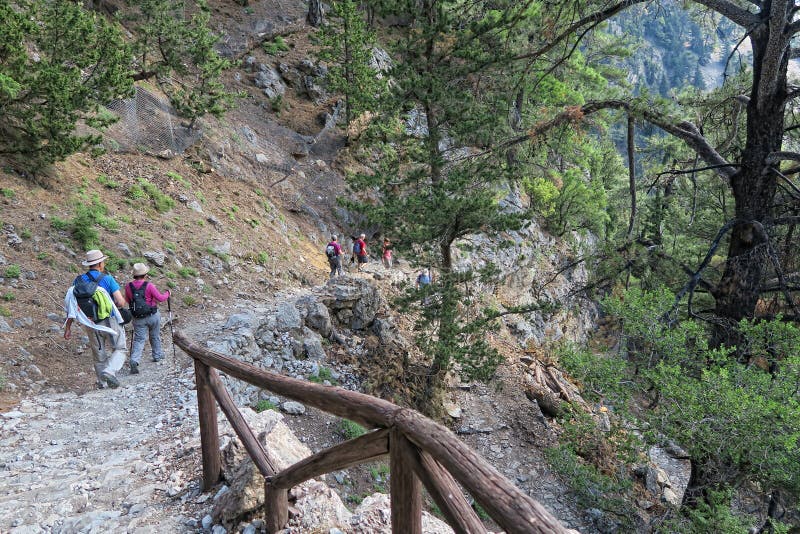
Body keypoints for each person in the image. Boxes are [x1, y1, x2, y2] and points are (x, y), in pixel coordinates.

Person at [63, 249, 128, 389]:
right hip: (110, 321)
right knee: (120, 348)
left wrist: (68, 327)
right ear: (100, 264)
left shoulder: (78, 280)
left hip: (91, 322)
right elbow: (121, 302)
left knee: (99, 355)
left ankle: (103, 383)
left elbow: (72, 305)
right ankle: (110, 371)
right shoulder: (107, 279)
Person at [125, 263, 171, 374]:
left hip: (137, 318)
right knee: (154, 335)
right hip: (152, 316)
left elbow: (127, 300)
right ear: (145, 274)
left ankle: (134, 360)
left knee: (139, 339)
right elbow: (160, 298)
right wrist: (168, 293)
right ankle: (157, 355)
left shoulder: (128, 286)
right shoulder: (149, 285)